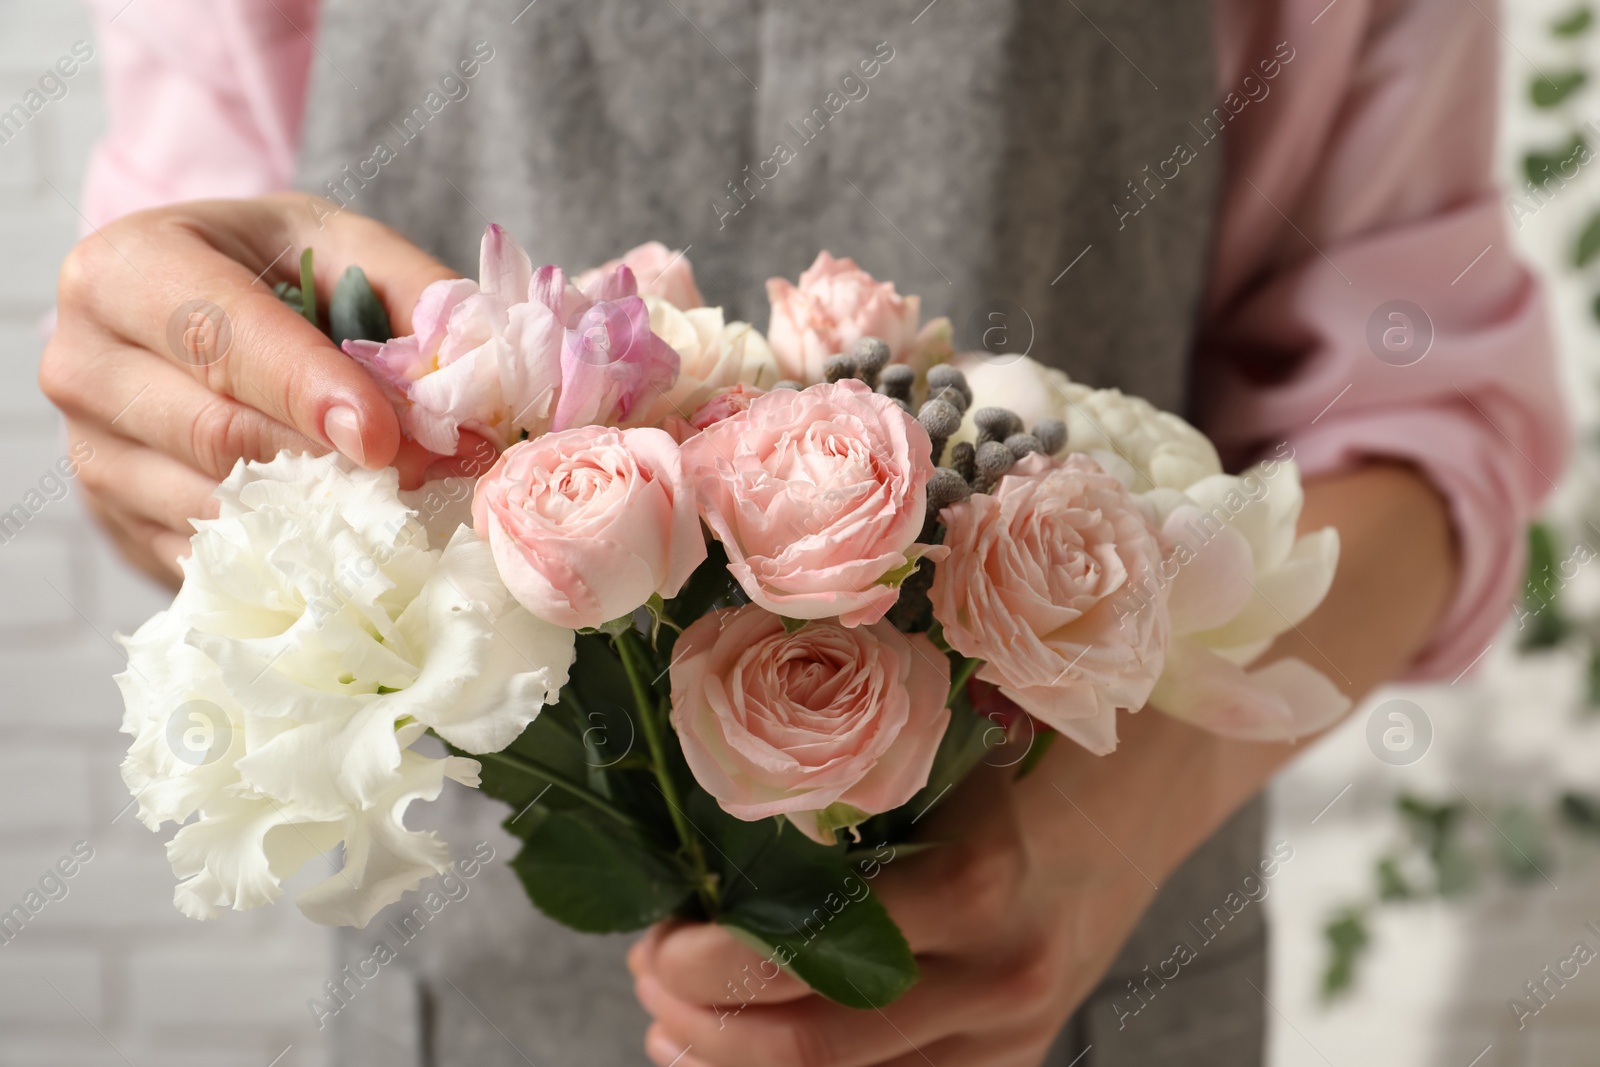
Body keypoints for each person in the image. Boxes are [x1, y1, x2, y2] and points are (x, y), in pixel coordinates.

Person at [40, 0, 1566, 1064]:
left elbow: (1436, 423)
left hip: (1093, 990)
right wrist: (205, 428)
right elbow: (211, 462)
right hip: (469, 1006)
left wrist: (1116, 826)